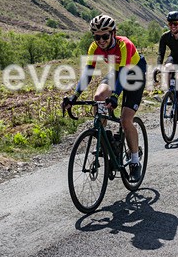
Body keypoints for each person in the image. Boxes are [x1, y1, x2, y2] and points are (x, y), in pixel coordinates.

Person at [62, 14, 148, 183]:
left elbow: (124, 74)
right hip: (117, 73)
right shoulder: (94, 47)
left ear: (114, 33)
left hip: (134, 74)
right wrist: (74, 96)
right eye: (97, 36)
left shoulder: (125, 45)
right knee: (98, 97)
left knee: (125, 120)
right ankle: (104, 138)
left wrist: (115, 96)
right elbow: (87, 74)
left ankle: (135, 161)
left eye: (105, 36)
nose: (101, 40)